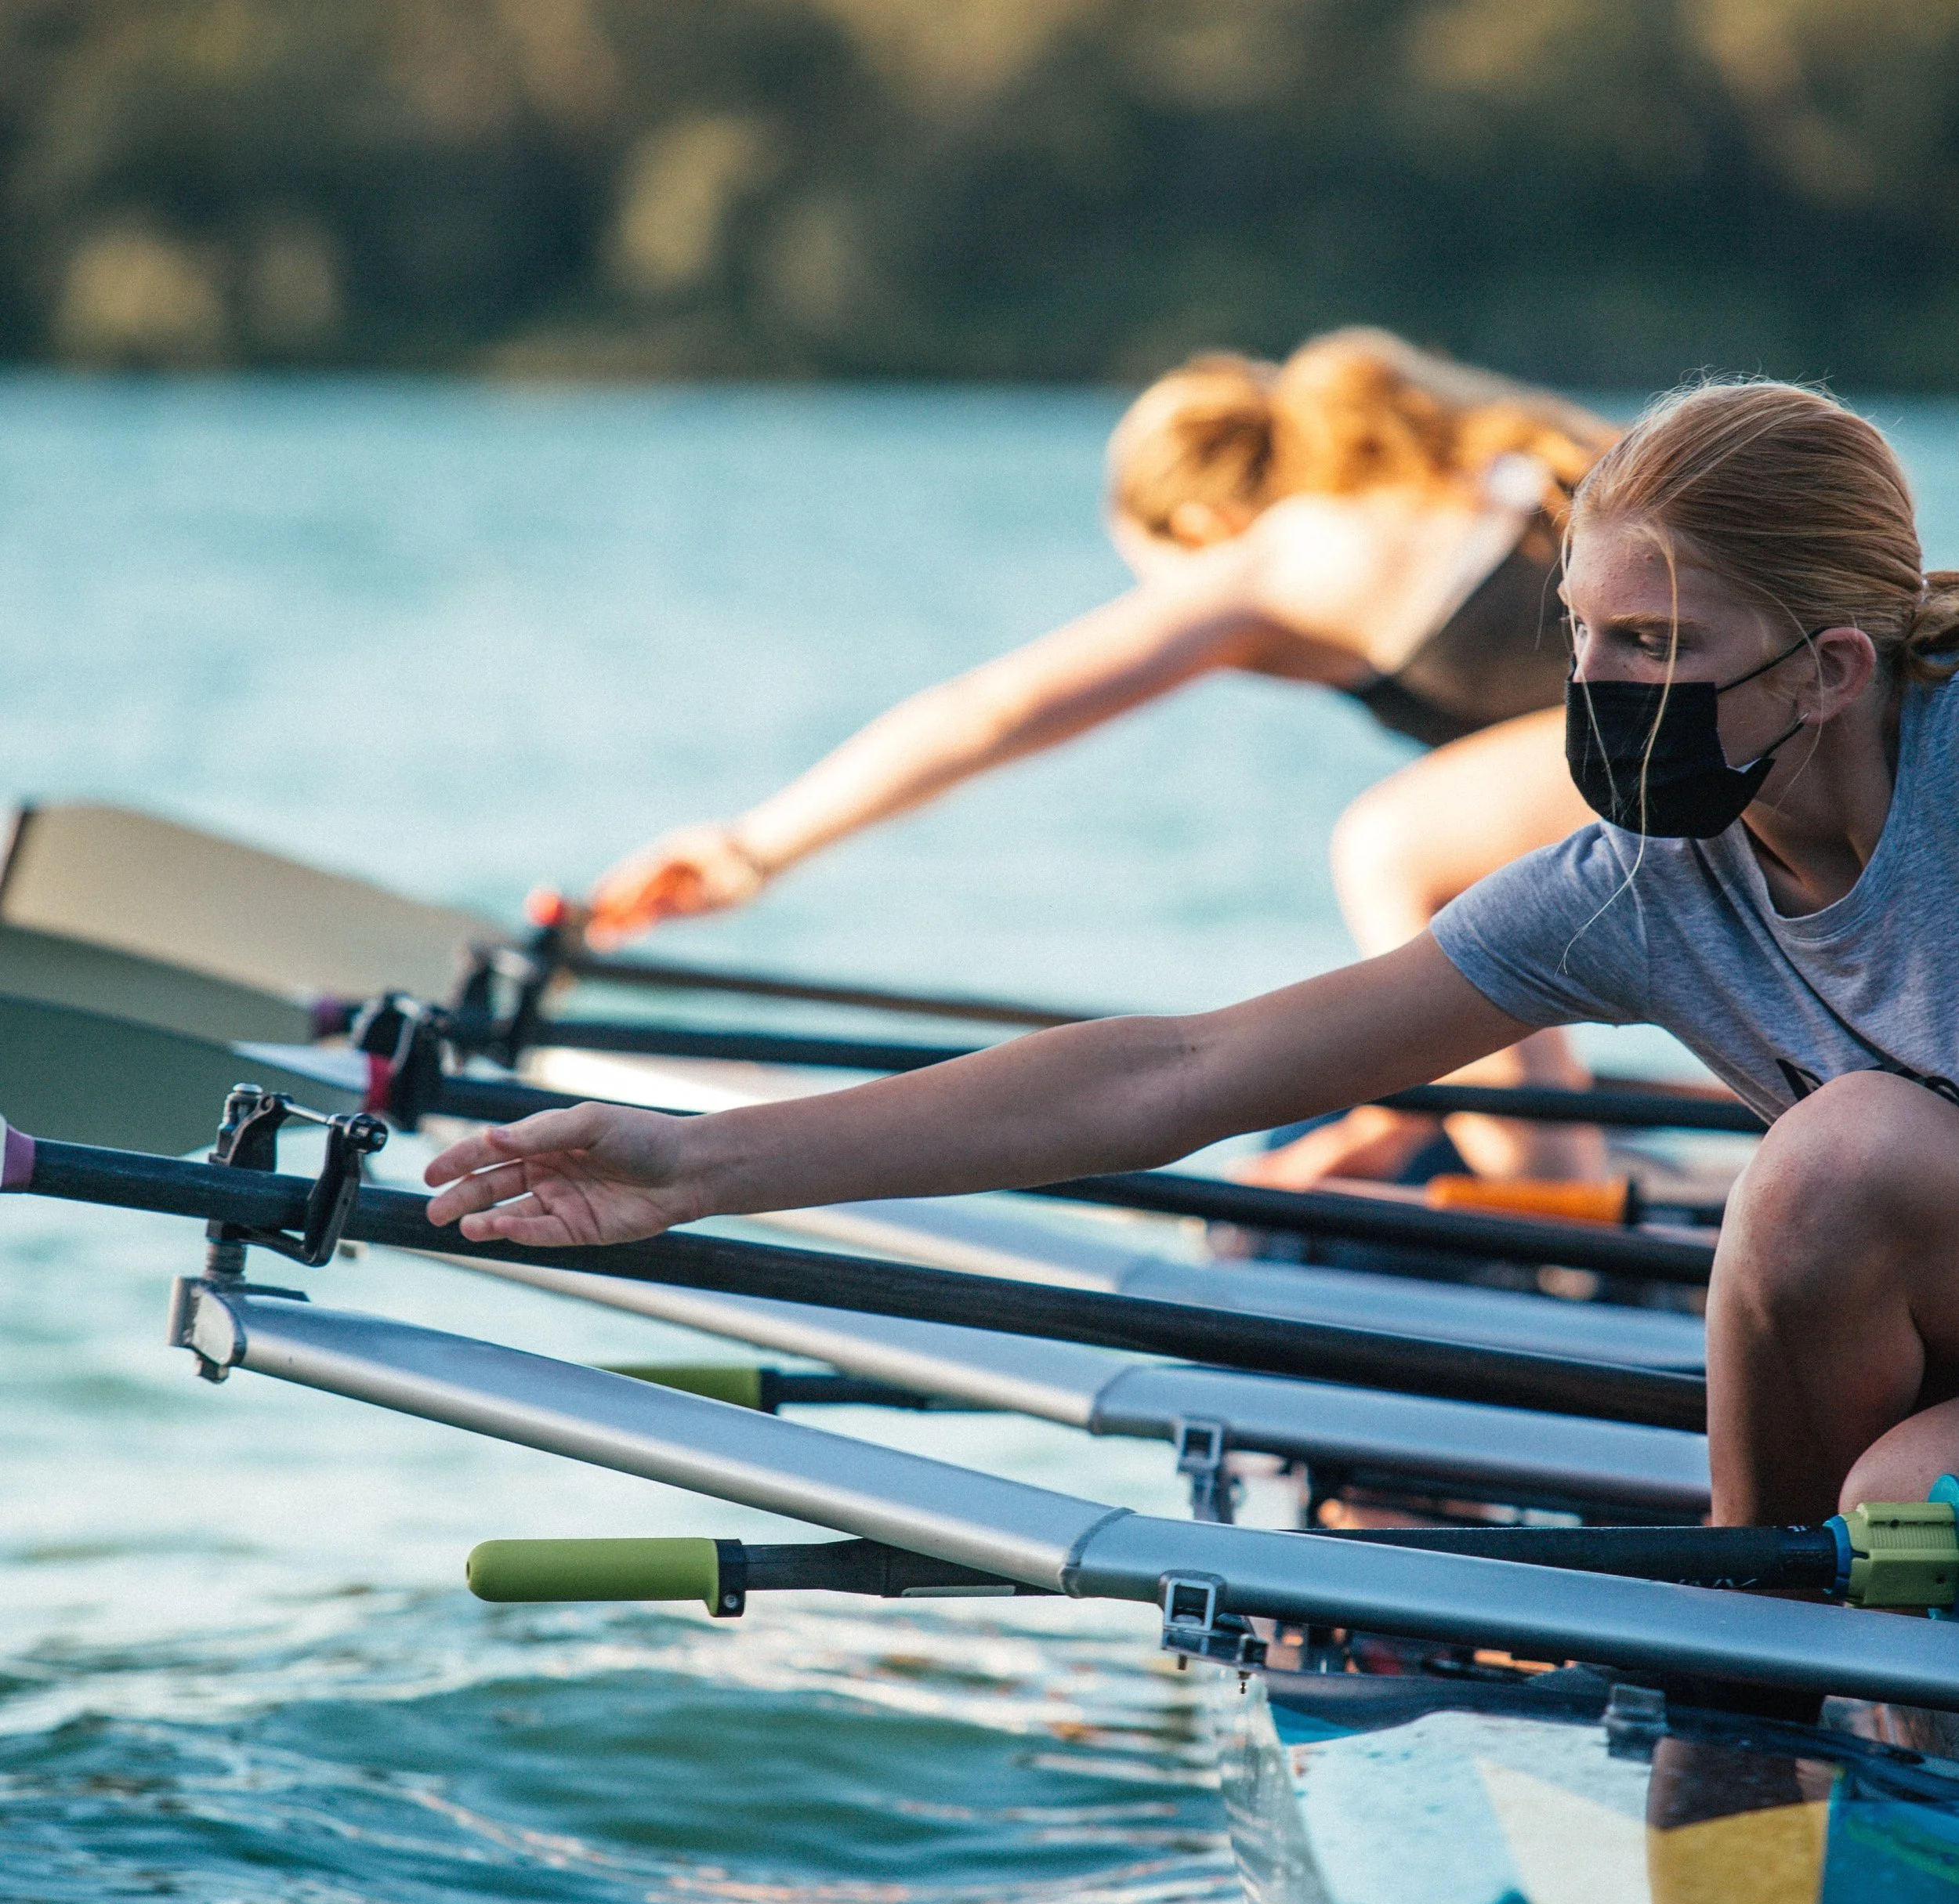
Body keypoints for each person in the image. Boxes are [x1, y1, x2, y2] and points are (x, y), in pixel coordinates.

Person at [434, 378, 1959, 1531]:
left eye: (1654, 646)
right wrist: (697, 1164)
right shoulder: (1636, 887)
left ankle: (1766, 1646)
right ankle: (1774, 1660)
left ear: (1829, 670)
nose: (1593, 688)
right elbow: (1177, 1071)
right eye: (1578, 634)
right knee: (1889, 1482)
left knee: (1845, 1171)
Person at [580, 330, 1619, 1185]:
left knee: (1391, 845)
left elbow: (994, 709)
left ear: (1203, 525)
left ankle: (1553, 1206)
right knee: (1462, 870)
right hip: (1706, 720)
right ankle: (1538, 1161)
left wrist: (754, 847)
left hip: (1685, 735)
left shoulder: (1280, 553)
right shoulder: (1455, 476)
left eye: (1157, 579)